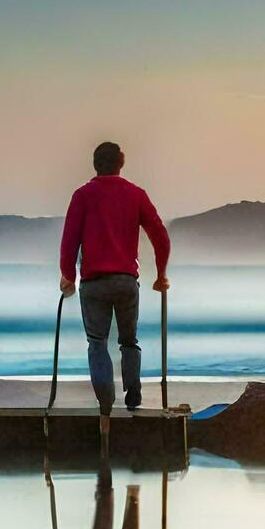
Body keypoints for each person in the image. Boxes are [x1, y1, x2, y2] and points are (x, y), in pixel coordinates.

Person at [58, 142, 171, 417]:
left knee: (97, 342)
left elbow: (69, 241)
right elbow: (161, 237)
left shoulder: (83, 195)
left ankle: (105, 402)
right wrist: (160, 275)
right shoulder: (136, 195)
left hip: (94, 283)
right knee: (129, 341)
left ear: (95, 164)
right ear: (121, 163)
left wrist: (68, 276)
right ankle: (133, 397)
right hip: (125, 281)